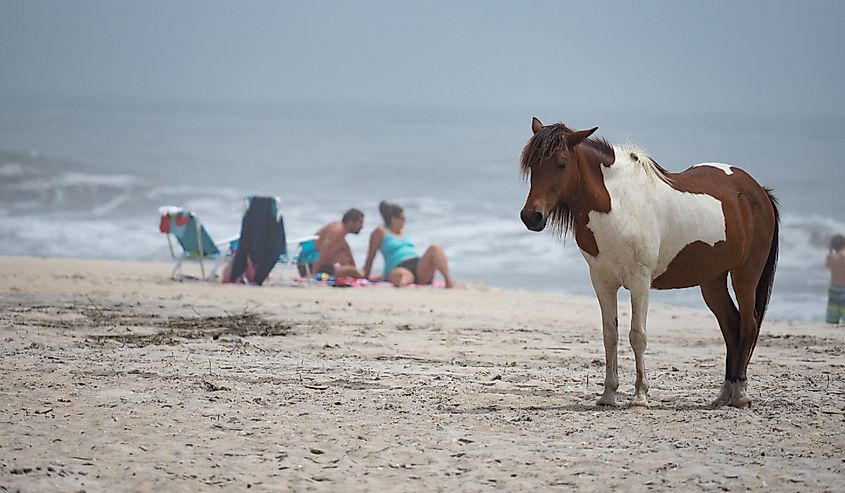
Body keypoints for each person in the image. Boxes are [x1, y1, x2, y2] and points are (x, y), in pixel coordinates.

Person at [362, 200, 455, 288]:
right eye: (402, 218)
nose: (405, 221)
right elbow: (370, 256)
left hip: (417, 264)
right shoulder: (380, 232)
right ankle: (404, 284)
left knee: (435, 248)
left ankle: (448, 281)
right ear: (393, 219)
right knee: (403, 276)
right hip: (396, 266)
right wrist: (365, 277)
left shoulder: (403, 233)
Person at [311, 208, 365, 278]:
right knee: (352, 271)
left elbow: (348, 253)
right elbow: (322, 251)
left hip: (311, 263)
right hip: (310, 264)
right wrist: (314, 274)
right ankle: (361, 278)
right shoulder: (338, 231)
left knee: (342, 255)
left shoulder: (340, 231)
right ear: (351, 222)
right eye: (360, 223)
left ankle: (360, 276)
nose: (362, 227)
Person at [826, 234, 845, 325]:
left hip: (833, 289)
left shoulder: (832, 257)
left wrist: (830, 251)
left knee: (831, 318)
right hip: (844, 289)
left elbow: (827, 265)